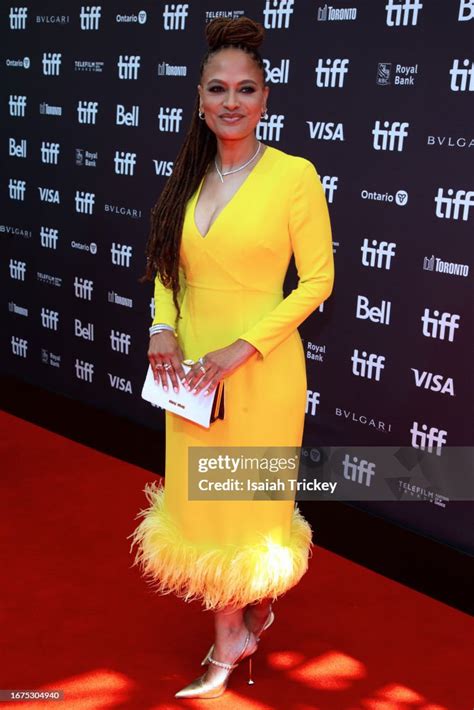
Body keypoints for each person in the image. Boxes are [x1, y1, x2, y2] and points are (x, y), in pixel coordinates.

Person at [128, 16, 335, 700]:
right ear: (199, 97)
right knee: (207, 510)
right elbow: (168, 267)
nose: (231, 101)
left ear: (266, 97)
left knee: (245, 508)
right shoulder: (189, 173)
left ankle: (234, 633)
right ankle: (239, 624)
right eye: (218, 88)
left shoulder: (293, 177)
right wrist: (162, 327)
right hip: (189, 374)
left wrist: (241, 348)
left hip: (259, 370)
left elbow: (317, 282)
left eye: (246, 88)